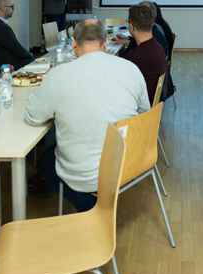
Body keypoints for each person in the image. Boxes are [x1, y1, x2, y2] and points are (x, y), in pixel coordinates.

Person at [25, 19, 150, 212]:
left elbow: (33, 118)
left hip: (82, 174)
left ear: (73, 43)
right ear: (106, 43)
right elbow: (144, 114)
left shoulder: (58, 75)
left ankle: (92, 208)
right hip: (128, 165)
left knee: (44, 162)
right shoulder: (131, 69)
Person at [119, 4, 168, 105]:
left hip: (137, 107)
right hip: (149, 103)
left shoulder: (134, 56)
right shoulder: (157, 46)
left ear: (131, 26)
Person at [0, 0, 35, 71]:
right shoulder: (0, 27)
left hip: (9, 61)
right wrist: (31, 55)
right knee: (37, 61)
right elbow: (18, 50)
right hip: (8, 65)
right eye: (12, 6)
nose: (14, 9)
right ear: (3, 8)